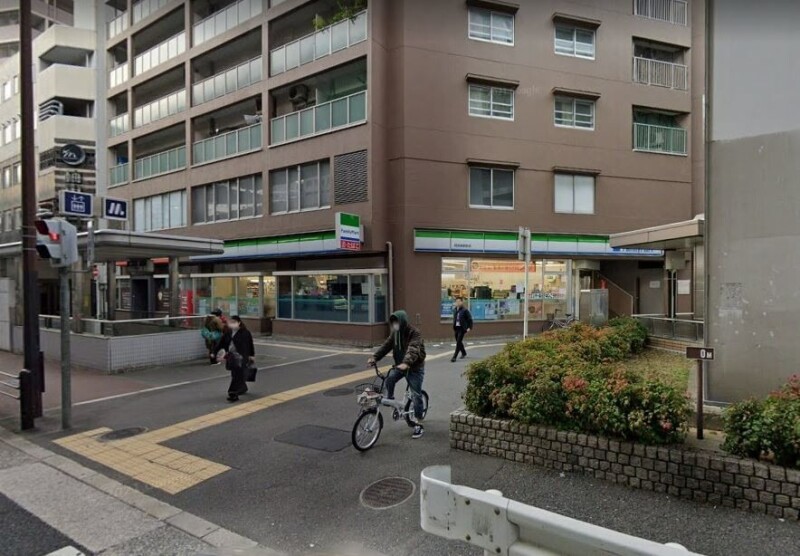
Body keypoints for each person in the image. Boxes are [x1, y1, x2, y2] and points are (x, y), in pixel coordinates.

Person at [368, 310, 427, 439]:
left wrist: (406, 363)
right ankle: (391, 400)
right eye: (393, 322)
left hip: (414, 367)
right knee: (390, 379)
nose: (395, 324)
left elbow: (413, 348)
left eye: (397, 321)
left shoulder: (414, 332)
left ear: (403, 321)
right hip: (401, 366)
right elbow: (386, 346)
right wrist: (375, 357)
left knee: (416, 395)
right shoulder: (395, 333)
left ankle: (419, 422)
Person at [216, 316, 255, 402]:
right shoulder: (228, 332)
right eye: (230, 322)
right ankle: (242, 387)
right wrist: (214, 352)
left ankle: (233, 393)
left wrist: (252, 355)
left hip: (242, 357)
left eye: (234, 322)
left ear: (239, 323)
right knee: (235, 374)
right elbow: (222, 343)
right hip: (232, 356)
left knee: (237, 374)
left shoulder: (245, 332)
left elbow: (250, 344)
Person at [451, 297, 473, 362]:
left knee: (458, 342)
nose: (457, 303)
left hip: (462, 328)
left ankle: (454, 357)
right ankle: (463, 352)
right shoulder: (455, 310)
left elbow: (470, 319)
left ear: (461, 302)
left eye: (459, 301)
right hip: (456, 328)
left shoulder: (465, 310)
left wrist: (469, 327)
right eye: (456, 302)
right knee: (458, 341)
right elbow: (455, 319)